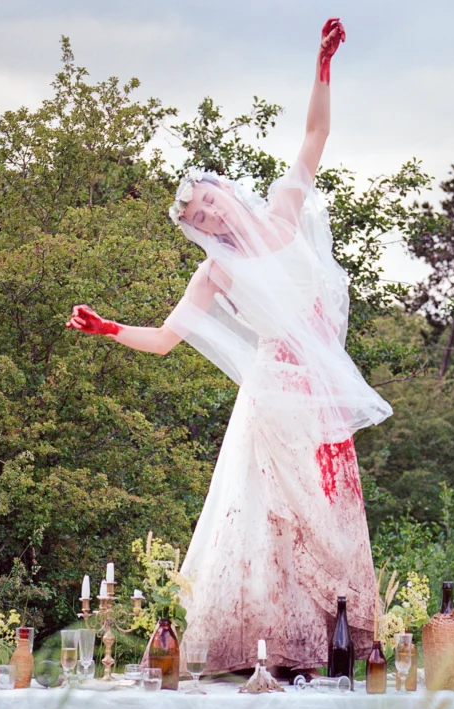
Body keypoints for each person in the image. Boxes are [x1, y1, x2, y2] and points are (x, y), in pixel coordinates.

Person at [67, 18, 391, 675]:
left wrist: (322, 66)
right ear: (199, 234)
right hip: (274, 396)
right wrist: (108, 329)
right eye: (199, 221)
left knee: (332, 513)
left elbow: (314, 137)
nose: (211, 218)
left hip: (318, 390)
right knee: (275, 522)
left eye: (211, 203)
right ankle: (272, 650)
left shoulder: (283, 213)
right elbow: (164, 340)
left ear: (228, 192)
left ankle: (341, 643)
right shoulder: (215, 273)